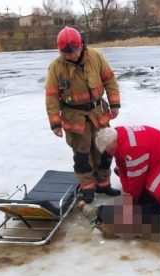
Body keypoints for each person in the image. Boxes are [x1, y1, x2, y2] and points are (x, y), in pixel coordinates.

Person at [45, 26, 121, 204]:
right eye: (65, 53)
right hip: (75, 118)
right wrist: (55, 123)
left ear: (80, 46)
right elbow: (51, 96)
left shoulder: (95, 57)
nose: (69, 56)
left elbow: (109, 80)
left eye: (72, 52)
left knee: (104, 152)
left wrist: (115, 103)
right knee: (82, 156)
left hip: (98, 113)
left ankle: (104, 183)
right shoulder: (56, 67)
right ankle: (88, 188)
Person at [95, 125, 160, 213]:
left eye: (110, 149)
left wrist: (132, 200)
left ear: (114, 142)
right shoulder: (116, 135)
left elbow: (136, 179)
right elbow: (123, 170)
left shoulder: (132, 148)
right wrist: (127, 195)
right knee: (149, 188)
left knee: (154, 188)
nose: (110, 153)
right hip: (157, 157)